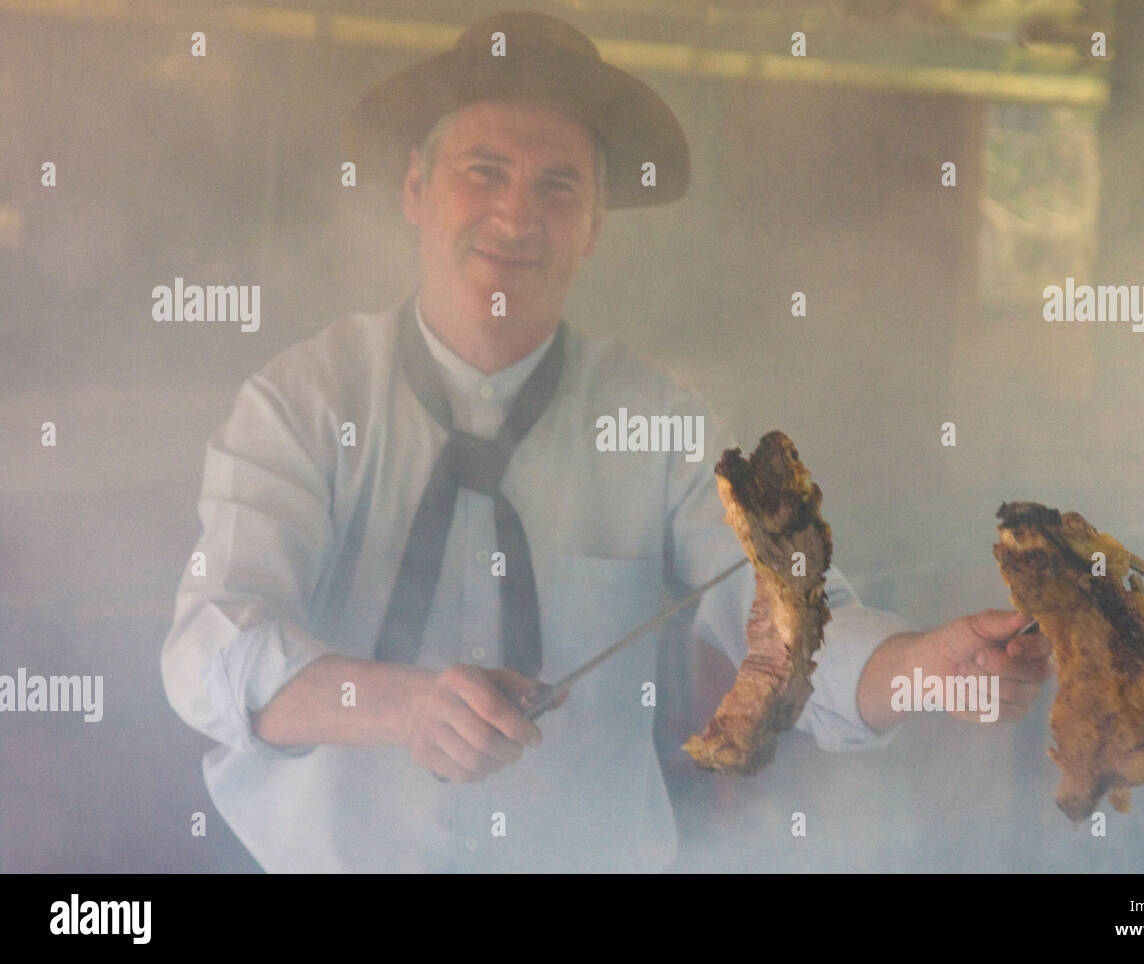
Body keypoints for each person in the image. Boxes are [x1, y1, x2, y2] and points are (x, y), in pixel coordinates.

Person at [160, 10, 1052, 873]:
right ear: (415, 189)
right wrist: (402, 705)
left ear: (592, 228)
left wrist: (923, 670)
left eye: (558, 186)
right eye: (483, 170)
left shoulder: (658, 419)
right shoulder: (304, 400)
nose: (516, 215)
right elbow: (210, 647)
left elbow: (784, 620)